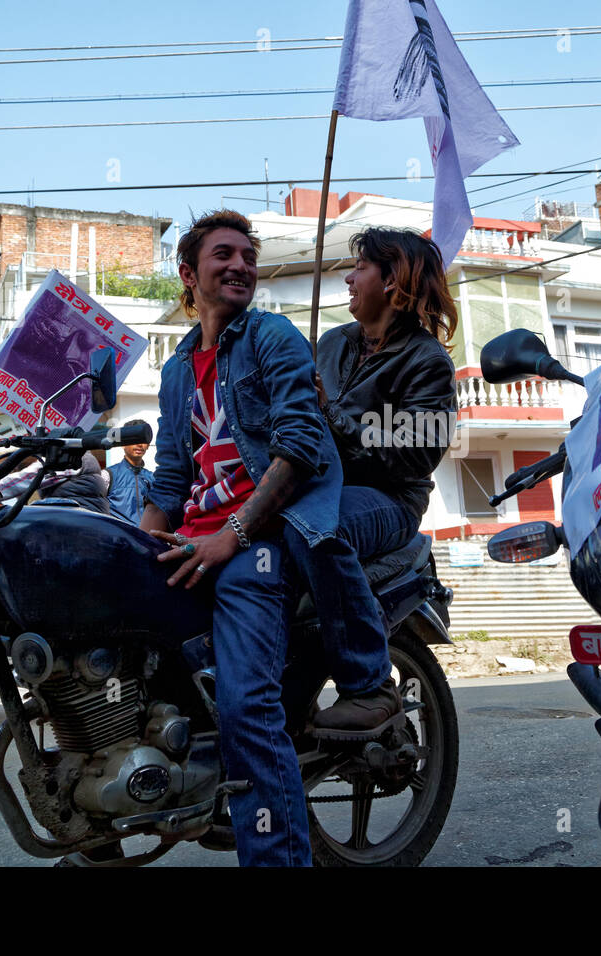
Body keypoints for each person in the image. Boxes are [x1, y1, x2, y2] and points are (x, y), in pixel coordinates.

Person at [140, 209, 342, 867]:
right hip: (189, 542)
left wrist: (232, 533)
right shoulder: (175, 371)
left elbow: (302, 443)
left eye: (248, 257)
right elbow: (170, 477)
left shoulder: (271, 336)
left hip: (254, 546)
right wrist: (138, 546)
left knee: (247, 709)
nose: (240, 266)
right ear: (188, 273)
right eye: (223, 254)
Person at [287, 227, 458, 736]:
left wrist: (330, 416)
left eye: (360, 267)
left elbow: (417, 452)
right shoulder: (333, 343)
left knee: (316, 528)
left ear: (393, 280)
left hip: (389, 500)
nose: (348, 277)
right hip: (320, 486)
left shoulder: (427, 361)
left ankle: (370, 686)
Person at [105, 420, 153, 524]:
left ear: (148, 445)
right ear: (123, 443)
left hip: (144, 538)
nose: (140, 444)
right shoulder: (108, 475)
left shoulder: (152, 478)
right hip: (118, 537)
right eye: (135, 439)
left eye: (143, 440)